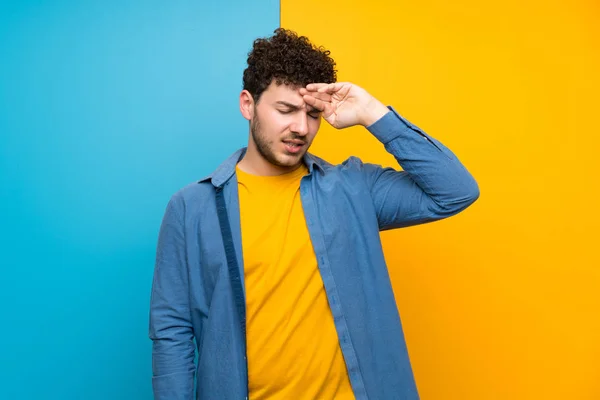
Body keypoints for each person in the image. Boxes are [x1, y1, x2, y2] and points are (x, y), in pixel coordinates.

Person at [149, 28, 479, 400]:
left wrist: (373, 112)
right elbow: (172, 330)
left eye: (312, 114)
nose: (301, 128)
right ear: (248, 105)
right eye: (285, 110)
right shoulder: (192, 207)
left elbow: (455, 191)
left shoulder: (353, 188)